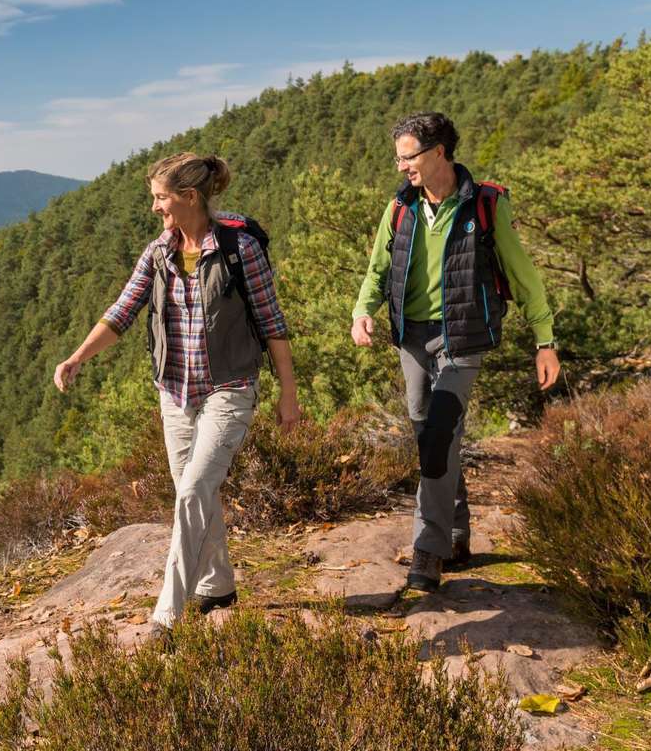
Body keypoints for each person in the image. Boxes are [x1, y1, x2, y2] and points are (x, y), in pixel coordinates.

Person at [54, 152, 301, 636]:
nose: (154, 208)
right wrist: (78, 356)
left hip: (229, 390)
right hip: (175, 393)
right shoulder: (158, 252)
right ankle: (218, 583)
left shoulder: (239, 250)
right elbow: (123, 311)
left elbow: (273, 325)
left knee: (191, 491)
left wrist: (287, 395)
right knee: (196, 494)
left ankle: (167, 615)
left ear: (189, 198)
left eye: (160, 198)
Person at [350, 112, 560, 591]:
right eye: (399, 157)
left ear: (439, 151)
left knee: (440, 432)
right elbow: (377, 269)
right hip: (411, 337)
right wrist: (363, 310)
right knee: (429, 433)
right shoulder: (401, 207)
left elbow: (523, 274)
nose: (402, 166)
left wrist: (544, 340)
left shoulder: (483, 205)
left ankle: (428, 551)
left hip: (462, 336)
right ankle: (458, 532)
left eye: (409, 156)